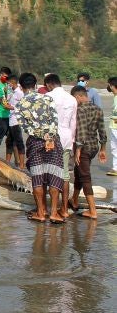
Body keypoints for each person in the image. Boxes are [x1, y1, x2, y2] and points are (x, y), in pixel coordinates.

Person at [15, 73, 64, 224]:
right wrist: (49, 137)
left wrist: (42, 136)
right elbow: (55, 121)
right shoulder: (48, 98)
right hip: (53, 140)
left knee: (37, 178)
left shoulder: (20, 105)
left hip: (35, 142)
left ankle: (41, 212)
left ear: (21, 87)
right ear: (36, 85)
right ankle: (54, 213)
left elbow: (26, 128)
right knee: (54, 175)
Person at [70, 86, 107, 219]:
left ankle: (92, 210)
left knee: (85, 176)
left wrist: (78, 149)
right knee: (78, 171)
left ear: (79, 96)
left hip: (83, 148)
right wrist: (103, 148)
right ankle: (74, 199)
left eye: (75, 98)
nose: (75, 101)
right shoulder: (98, 109)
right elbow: (102, 130)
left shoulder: (80, 110)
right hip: (94, 147)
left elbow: (82, 130)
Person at [44, 73, 77, 219]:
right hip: (67, 138)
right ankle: (64, 209)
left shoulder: (48, 97)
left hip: (51, 139)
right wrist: (73, 141)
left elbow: (45, 121)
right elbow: (73, 123)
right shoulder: (72, 99)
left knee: (50, 174)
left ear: (49, 85)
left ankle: (50, 209)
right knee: (64, 175)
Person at [5, 74, 26, 169]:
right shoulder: (11, 92)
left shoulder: (19, 93)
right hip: (11, 120)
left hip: (16, 121)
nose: (7, 85)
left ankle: (22, 164)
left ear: (12, 83)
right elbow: (8, 101)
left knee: (19, 142)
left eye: (8, 83)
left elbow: (23, 106)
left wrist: (12, 107)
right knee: (9, 142)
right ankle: (7, 162)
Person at [106, 76, 117, 177]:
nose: (108, 87)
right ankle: (115, 168)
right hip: (114, 126)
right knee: (114, 148)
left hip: (116, 126)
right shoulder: (115, 97)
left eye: (109, 85)